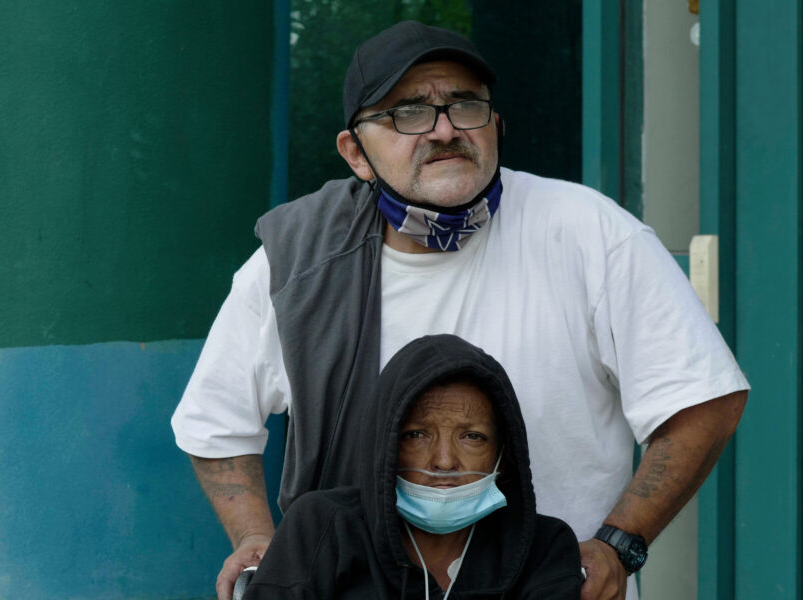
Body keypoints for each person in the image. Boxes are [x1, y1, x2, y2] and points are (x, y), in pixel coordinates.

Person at [171, 20, 749, 600]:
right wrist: (255, 536)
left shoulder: (587, 233)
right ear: (356, 152)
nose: (444, 130)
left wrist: (620, 543)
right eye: (409, 112)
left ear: (495, 125)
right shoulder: (296, 264)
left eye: (464, 105)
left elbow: (703, 398)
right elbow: (214, 424)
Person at [241, 334, 583, 599]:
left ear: (503, 455)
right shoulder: (322, 528)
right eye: (416, 435)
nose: (444, 461)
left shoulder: (545, 548)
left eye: (472, 437)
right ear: (384, 446)